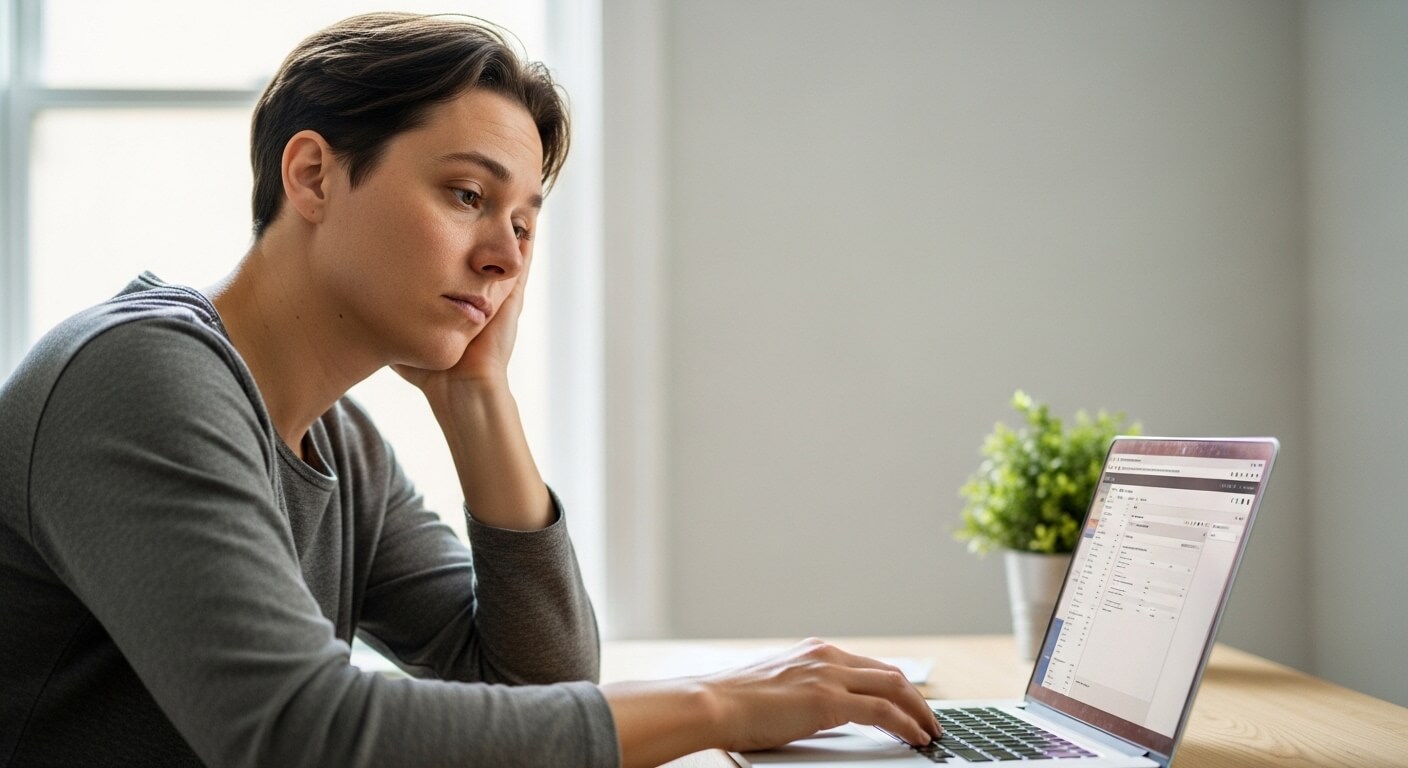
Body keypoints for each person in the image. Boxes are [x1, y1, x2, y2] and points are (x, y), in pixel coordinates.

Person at [0, 13, 940, 767]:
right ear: (313, 174)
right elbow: (297, 733)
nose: (501, 256)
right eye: (466, 195)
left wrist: (479, 396)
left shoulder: (340, 443)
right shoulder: (138, 375)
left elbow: (537, 687)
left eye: (525, 225)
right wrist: (718, 706)